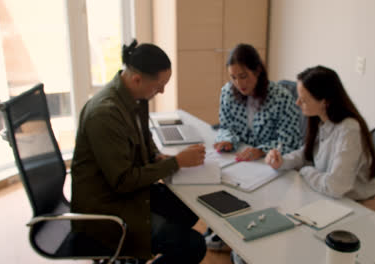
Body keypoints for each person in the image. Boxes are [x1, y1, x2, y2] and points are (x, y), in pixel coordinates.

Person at [71, 39, 207, 263]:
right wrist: (176, 163)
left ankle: (146, 249)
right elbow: (123, 180)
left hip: (128, 193)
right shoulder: (105, 114)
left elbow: (145, 138)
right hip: (108, 208)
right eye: (159, 85)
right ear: (137, 79)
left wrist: (156, 156)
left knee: (189, 208)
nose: (162, 91)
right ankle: (145, 246)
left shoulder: (136, 96)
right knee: (193, 245)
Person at [265, 65, 375, 216]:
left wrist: (305, 171)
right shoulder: (322, 121)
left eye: (303, 99)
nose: (297, 103)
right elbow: (306, 153)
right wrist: (282, 161)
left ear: (324, 102)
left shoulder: (349, 130)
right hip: (335, 201)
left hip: (361, 206)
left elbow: (335, 186)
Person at [214, 43, 302, 160]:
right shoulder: (227, 92)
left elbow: (290, 142)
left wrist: (262, 150)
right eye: (233, 77)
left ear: (257, 71)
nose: (238, 84)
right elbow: (225, 127)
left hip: (269, 162)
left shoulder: (281, 98)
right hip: (238, 158)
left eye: (243, 76)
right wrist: (227, 140)